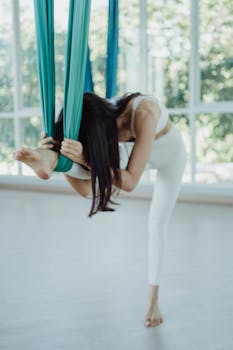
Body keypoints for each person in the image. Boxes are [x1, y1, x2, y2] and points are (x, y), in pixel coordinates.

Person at [13, 91, 186, 328]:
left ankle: (153, 300)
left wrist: (85, 158)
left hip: (170, 156)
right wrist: (59, 147)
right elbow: (86, 191)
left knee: (157, 223)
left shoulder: (144, 112)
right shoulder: (96, 120)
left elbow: (131, 181)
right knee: (87, 187)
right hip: (128, 154)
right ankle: (51, 160)